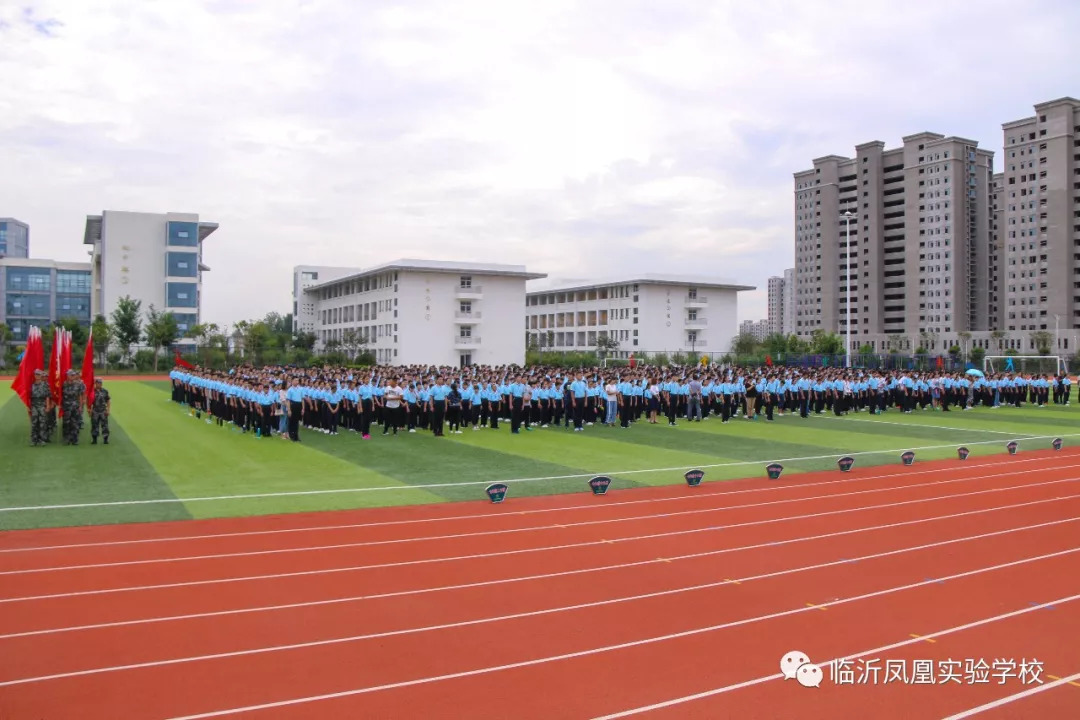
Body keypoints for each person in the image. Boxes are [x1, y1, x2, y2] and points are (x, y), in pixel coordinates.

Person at [61, 369, 85, 445]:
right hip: (66, 407)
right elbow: (60, 395)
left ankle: (74, 439)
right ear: (67, 376)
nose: (72, 376)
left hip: (75, 406)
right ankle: (66, 439)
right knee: (66, 423)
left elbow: (80, 396)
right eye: (70, 375)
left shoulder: (79, 384)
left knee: (75, 423)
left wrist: (81, 406)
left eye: (73, 375)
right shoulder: (64, 384)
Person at [29, 368, 52, 447]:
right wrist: (28, 407)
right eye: (36, 374)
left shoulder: (45, 385)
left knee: (42, 423)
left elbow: (47, 396)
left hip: (42, 405)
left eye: (39, 374)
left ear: (41, 375)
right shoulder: (31, 385)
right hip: (34, 405)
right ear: (34, 375)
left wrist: (48, 406)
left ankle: (42, 439)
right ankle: (34, 440)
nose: (37, 376)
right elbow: (29, 397)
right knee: (34, 423)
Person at [89, 378, 111, 445]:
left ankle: (105, 439)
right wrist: (89, 409)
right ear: (95, 384)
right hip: (95, 410)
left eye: (100, 383)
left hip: (103, 411)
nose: (99, 384)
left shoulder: (105, 391)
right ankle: (94, 440)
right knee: (94, 425)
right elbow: (89, 401)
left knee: (105, 426)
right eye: (98, 383)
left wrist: (108, 409)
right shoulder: (92, 392)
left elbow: (108, 400)